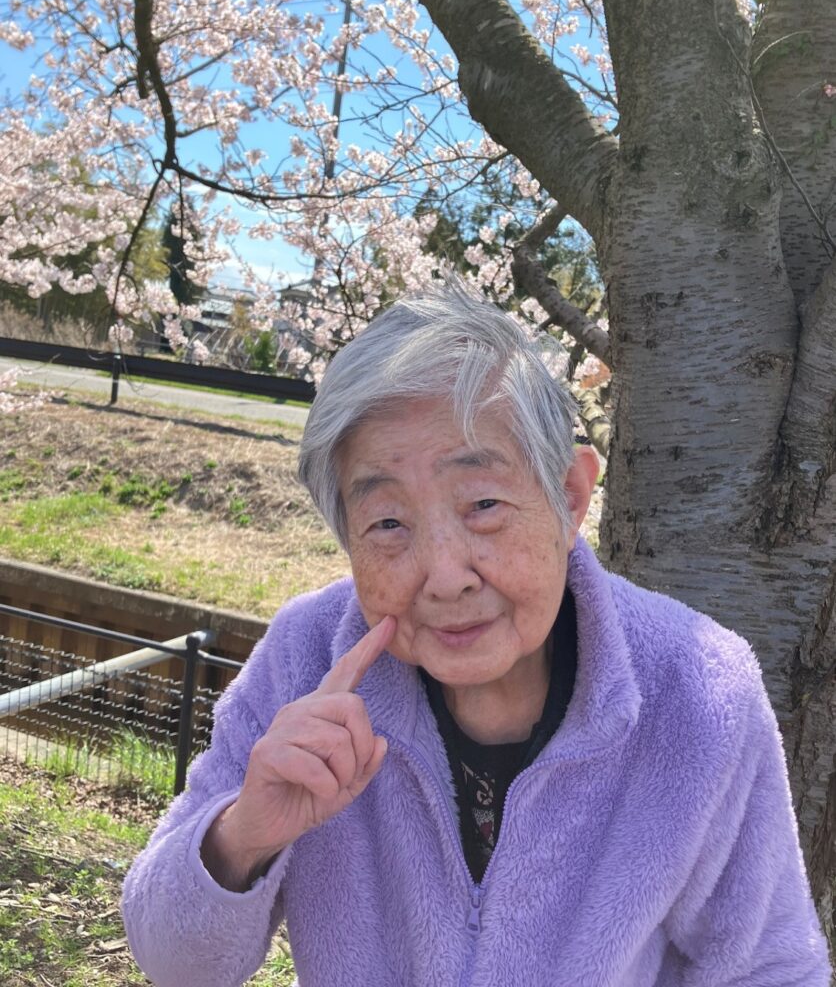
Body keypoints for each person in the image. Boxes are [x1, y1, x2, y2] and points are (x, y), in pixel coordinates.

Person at [122, 285, 831, 987]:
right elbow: (172, 960)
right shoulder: (304, 660)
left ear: (570, 497)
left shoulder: (698, 691)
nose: (445, 576)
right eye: (387, 523)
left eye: (484, 504)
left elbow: (772, 968)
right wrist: (242, 835)